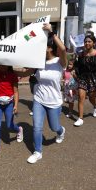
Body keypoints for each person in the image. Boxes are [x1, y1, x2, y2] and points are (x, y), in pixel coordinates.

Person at [19, 24, 68, 164]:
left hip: (54, 101)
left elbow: (63, 49)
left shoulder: (60, 62)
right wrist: (8, 68)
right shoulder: (38, 63)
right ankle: (38, 151)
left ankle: (60, 131)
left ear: (50, 48)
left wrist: (52, 33)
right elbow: (23, 73)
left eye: (44, 47)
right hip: (39, 99)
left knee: (54, 127)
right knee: (37, 127)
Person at [73, 35, 96, 127]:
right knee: (81, 96)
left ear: (93, 43)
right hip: (83, 77)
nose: (87, 43)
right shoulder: (81, 54)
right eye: (85, 41)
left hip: (95, 78)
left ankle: (95, 106)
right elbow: (78, 66)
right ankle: (80, 118)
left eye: (89, 41)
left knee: (91, 97)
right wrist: (74, 71)